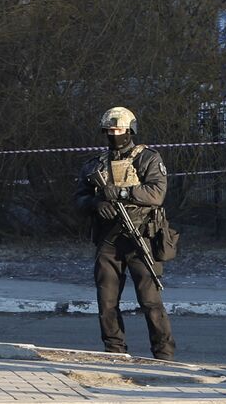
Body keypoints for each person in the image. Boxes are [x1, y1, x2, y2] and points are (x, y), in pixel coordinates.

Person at [73, 107, 175, 361]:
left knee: (150, 301)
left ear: (130, 130)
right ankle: (114, 352)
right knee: (106, 301)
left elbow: (156, 194)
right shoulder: (95, 164)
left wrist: (121, 194)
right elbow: (79, 198)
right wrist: (96, 204)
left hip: (142, 236)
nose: (113, 135)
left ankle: (163, 355)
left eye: (118, 130)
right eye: (109, 131)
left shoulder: (148, 159)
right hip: (108, 239)